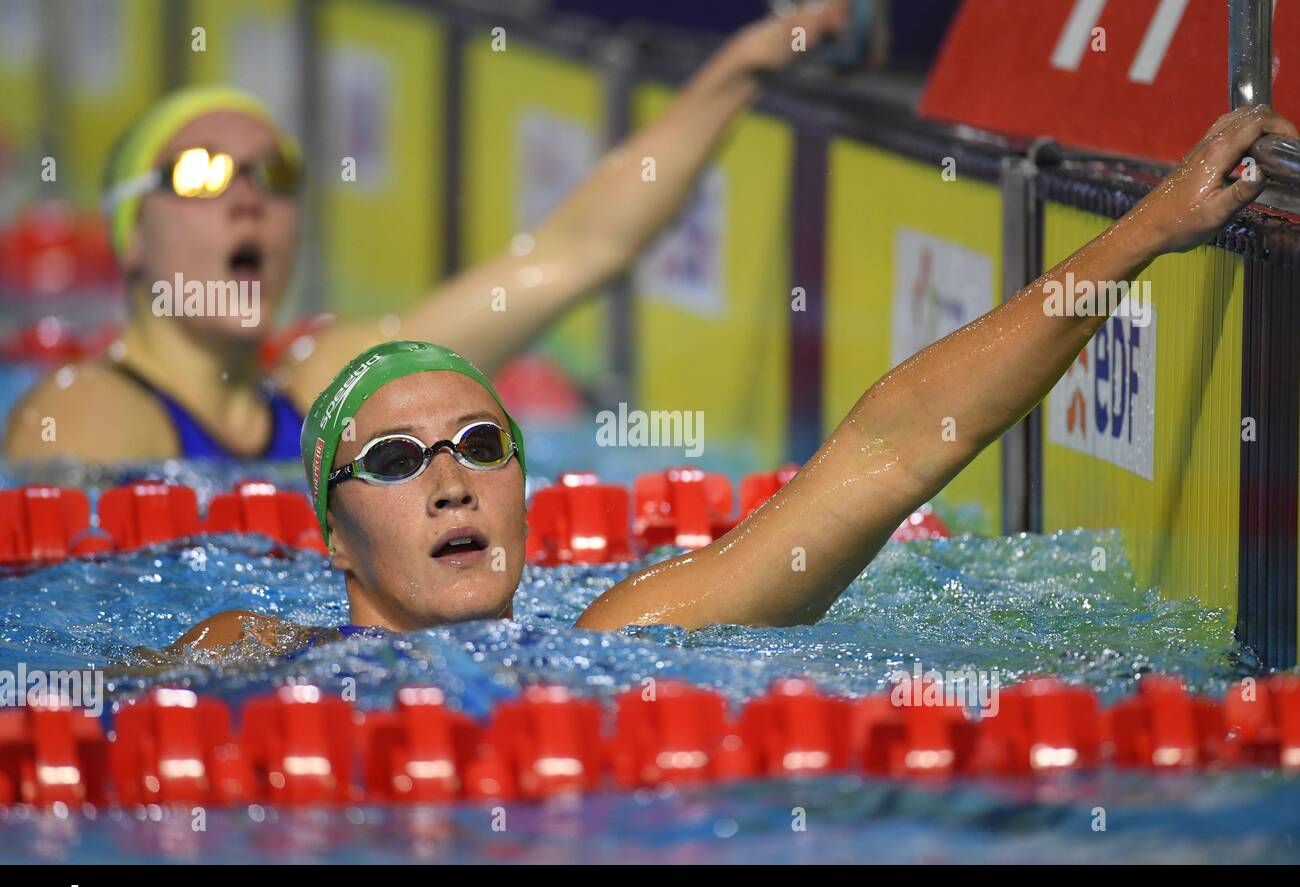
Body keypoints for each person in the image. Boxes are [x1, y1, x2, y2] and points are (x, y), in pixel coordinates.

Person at [171, 105, 1298, 651]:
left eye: (479, 444)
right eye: (395, 460)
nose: (452, 482)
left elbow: (891, 447)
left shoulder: (622, 635)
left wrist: (1147, 229)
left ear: (524, 480)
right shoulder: (247, 658)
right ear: (329, 531)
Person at [3, 0, 853, 462]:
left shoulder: (329, 383)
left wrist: (745, 64)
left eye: (278, 176)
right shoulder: (90, 413)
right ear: (129, 240)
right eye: (198, 177)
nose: (248, 201)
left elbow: (576, 253)